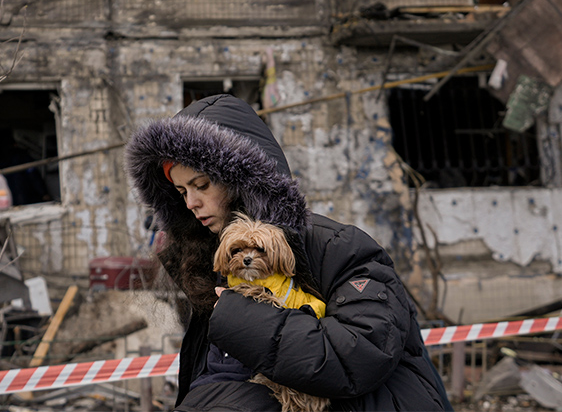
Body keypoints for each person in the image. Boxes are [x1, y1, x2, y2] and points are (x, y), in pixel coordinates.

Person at [125, 94, 452, 411]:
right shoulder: (210, 261)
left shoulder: (338, 246)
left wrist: (240, 317)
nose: (190, 203)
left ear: (242, 178)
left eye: (202, 185)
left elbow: (360, 354)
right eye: (181, 191)